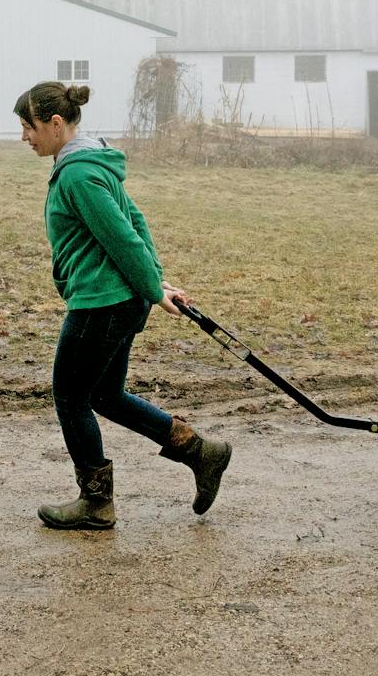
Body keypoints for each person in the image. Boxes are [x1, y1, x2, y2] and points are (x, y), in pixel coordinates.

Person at [15, 80, 231, 530]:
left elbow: (122, 234)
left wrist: (154, 287)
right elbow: (135, 220)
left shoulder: (78, 172)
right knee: (104, 395)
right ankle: (201, 452)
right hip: (117, 298)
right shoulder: (92, 161)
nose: (24, 137)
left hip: (103, 303)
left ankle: (95, 503)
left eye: (28, 126)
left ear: (55, 124)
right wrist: (156, 281)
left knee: (71, 396)